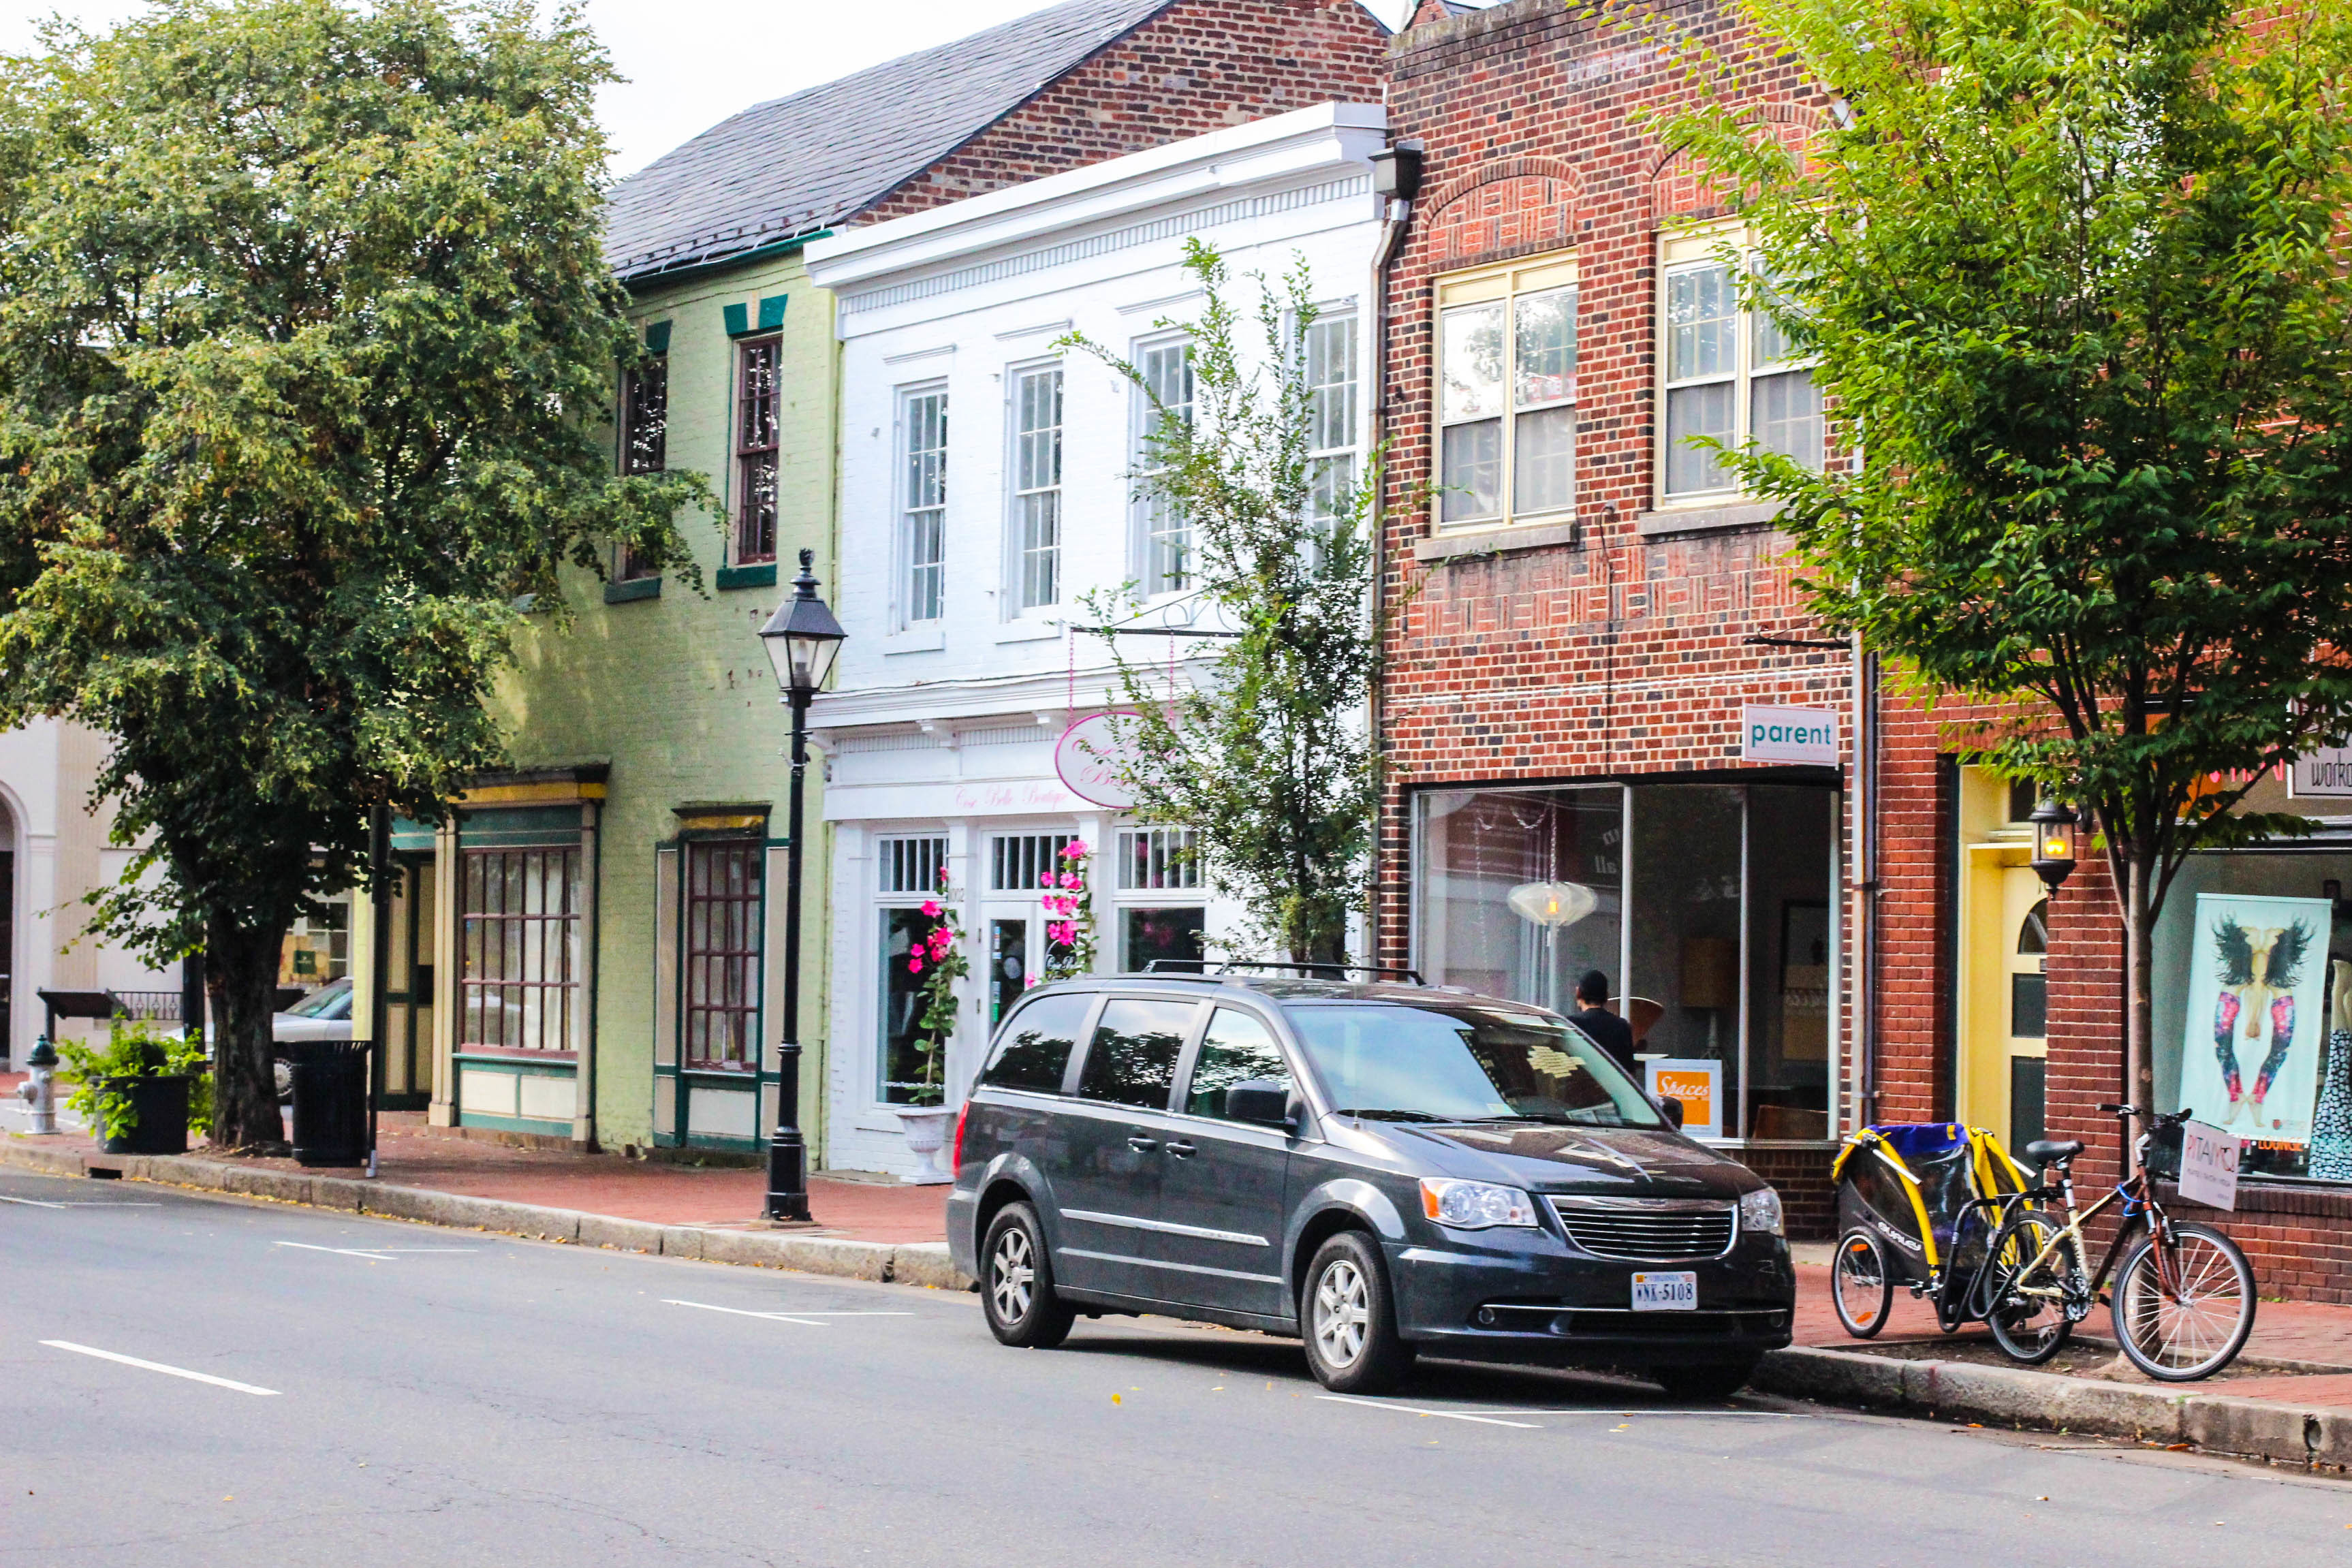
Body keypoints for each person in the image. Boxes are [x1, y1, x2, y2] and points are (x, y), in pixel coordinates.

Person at [1568, 970, 1638, 1076]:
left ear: (1578, 993)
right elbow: (1630, 1074)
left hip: (1580, 1091)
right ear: (1607, 996)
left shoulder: (1570, 1025)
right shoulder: (1622, 1026)